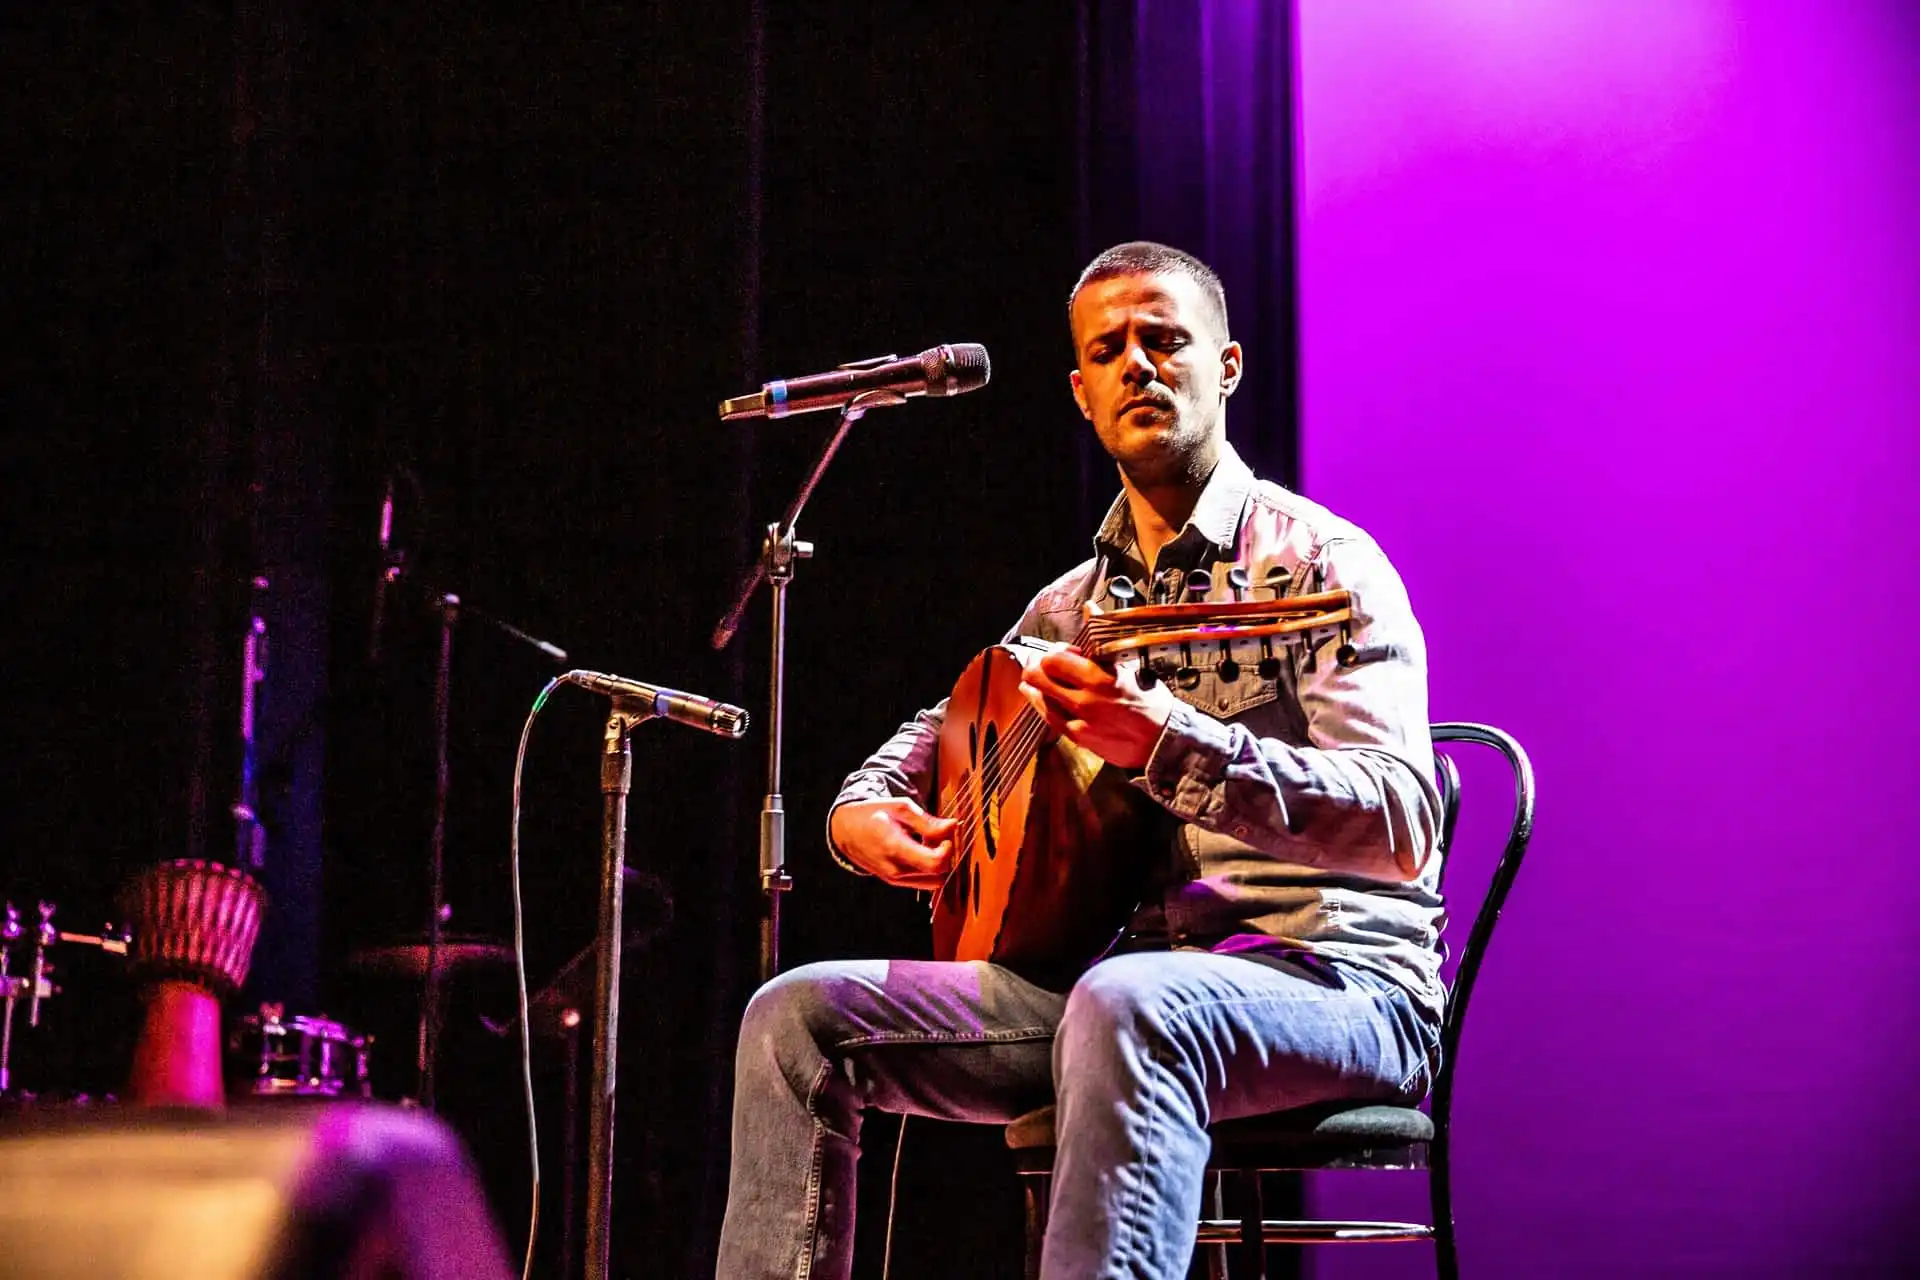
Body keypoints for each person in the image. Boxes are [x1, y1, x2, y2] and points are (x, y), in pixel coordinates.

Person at [715, 241, 1444, 1280]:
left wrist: (1165, 744)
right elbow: (927, 740)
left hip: (1338, 982)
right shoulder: (1072, 610)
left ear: (1227, 367)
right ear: (1081, 394)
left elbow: (1404, 822)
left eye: (1166, 339)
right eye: (1110, 350)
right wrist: (857, 817)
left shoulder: (1324, 564)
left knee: (1129, 1001)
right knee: (794, 1017)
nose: (1138, 365)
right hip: (1124, 995)